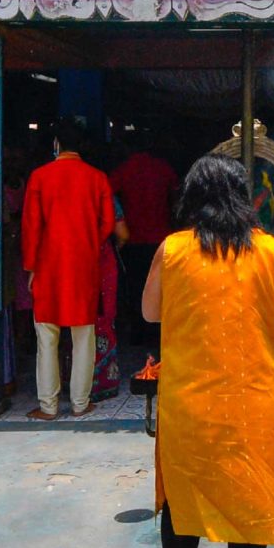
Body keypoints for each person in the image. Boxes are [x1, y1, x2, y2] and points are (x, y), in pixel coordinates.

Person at [142, 154, 274, 548]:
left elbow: (150, 312)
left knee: (182, 501)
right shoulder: (270, 250)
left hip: (191, 403)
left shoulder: (173, 249)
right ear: (243, 198)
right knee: (248, 500)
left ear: (192, 198)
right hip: (255, 401)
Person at [21, 118, 115, 420]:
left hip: (48, 266)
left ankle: (48, 406)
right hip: (84, 266)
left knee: (47, 337)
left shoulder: (39, 177)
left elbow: (31, 227)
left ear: (56, 144)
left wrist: (31, 266)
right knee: (83, 336)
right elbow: (108, 222)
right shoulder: (98, 178)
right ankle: (80, 402)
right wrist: (89, 243)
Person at [110, 139, 178, 345]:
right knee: (161, 287)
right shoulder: (163, 168)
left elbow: (107, 192)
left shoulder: (126, 168)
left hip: (134, 238)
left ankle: (138, 331)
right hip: (160, 238)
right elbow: (176, 193)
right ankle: (157, 332)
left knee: (136, 287)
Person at [91, 197, 130, 402]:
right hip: (102, 262)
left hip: (69, 263)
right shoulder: (104, 195)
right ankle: (104, 381)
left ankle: (74, 384)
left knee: (75, 326)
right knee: (104, 321)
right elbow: (123, 233)